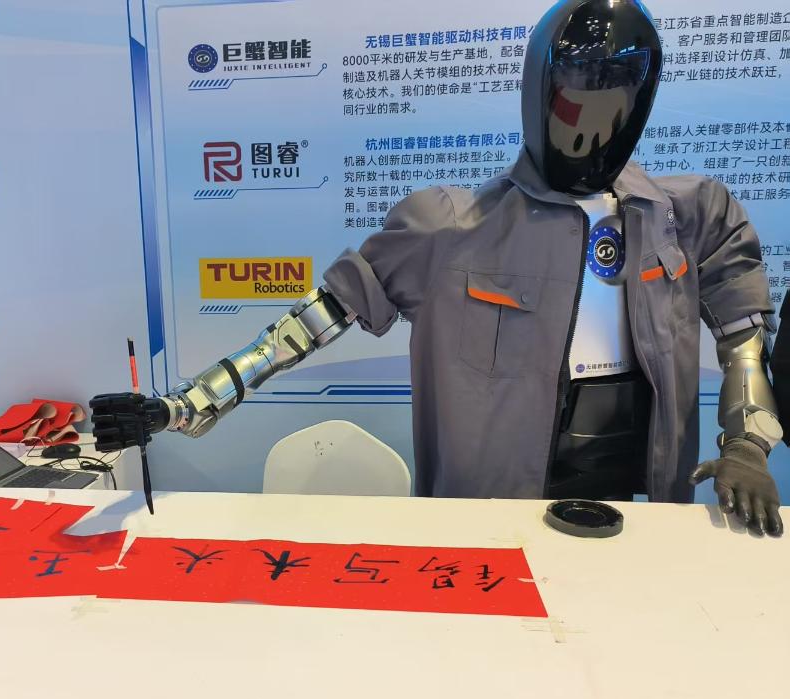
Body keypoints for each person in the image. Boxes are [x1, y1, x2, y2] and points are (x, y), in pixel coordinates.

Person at [92, 0, 783, 536]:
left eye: (617, 103)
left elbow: (743, 337)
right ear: (539, 90)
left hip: (645, 496)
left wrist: (746, 442)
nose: (592, 127)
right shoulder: (449, 229)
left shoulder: (689, 216)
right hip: (494, 513)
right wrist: (188, 403)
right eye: (575, 101)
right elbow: (312, 323)